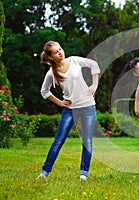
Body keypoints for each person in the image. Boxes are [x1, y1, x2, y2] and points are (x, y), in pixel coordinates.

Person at [36, 41, 100, 181]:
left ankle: (84, 173)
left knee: (87, 141)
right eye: (56, 52)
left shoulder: (74, 61)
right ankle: (44, 172)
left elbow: (94, 65)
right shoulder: (52, 73)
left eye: (60, 49)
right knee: (58, 141)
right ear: (51, 57)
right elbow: (44, 92)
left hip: (88, 106)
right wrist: (60, 103)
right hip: (70, 110)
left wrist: (94, 85)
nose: (60, 52)